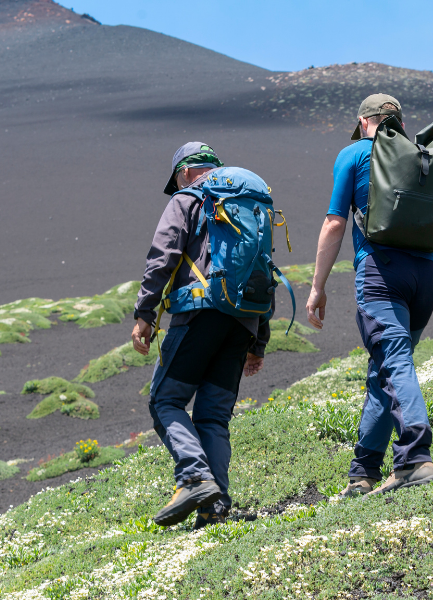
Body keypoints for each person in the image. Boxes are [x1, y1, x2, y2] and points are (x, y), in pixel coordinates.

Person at [306, 93, 433, 498]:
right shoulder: (424, 157)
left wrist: (317, 287)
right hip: (426, 278)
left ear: (364, 122)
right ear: (399, 122)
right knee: (388, 365)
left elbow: (333, 223)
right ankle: (363, 473)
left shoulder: (355, 153)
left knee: (392, 359)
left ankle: (414, 456)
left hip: (381, 271)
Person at [131, 142, 270, 529]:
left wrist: (144, 314)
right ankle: (215, 505)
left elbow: (163, 257)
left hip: (199, 313)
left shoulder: (187, 200)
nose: (177, 186)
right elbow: (264, 272)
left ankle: (193, 478)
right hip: (244, 322)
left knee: (165, 400)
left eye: (176, 179)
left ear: (187, 172)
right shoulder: (249, 204)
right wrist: (258, 342)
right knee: (212, 417)